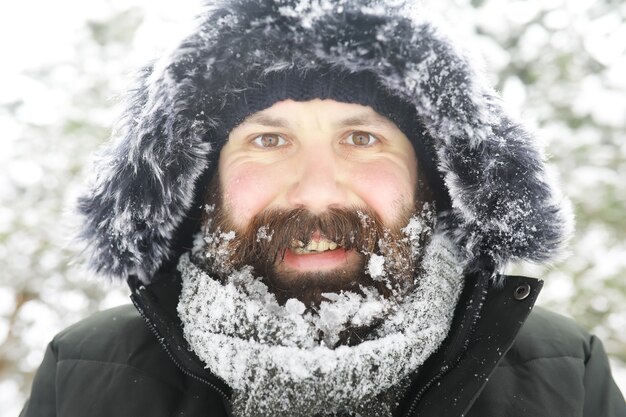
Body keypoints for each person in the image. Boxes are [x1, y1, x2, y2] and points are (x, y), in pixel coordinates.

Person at [20, 0, 626, 416]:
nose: (316, 190)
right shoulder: (84, 374)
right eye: (268, 140)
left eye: (361, 139)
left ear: (432, 180)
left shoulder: (563, 375)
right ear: (202, 181)